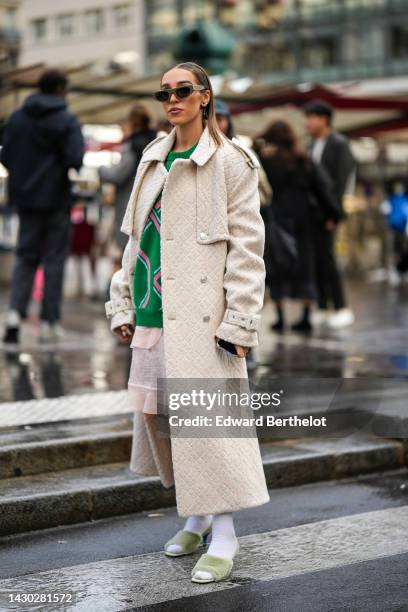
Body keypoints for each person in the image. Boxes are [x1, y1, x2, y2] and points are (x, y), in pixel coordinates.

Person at [105, 61, 269, 584]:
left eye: (182, 91)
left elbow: (248, 248)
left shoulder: (232, 162)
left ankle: (224, 533)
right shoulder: (152, 155)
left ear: (204, 97)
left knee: (207, 422)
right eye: (164, 92)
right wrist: (123, 301)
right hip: (154, 308)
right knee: (162, 418)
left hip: (204, 317)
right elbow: (135, 237)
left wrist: (241, 319)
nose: (172, 99)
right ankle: (196, 515)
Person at [1, 69, 84, 344]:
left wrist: (24, 178)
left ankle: (15, 314)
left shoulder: (17, 118)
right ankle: (49, 322)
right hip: (56, 199)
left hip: (25, 199)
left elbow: (6, 155)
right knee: (54, 259)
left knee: (25, 255)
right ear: (61, 89)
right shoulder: (67, 119)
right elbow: (75, 158)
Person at [257, 120, 341, 332]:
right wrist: (333, 214)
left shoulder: (266, 162)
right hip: (304, 223)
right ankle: (305, 317)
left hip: (275, 222)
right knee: (305, 269)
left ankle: (280, 318)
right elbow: (322, 189)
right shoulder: (304, 160)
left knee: (276, 268)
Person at [303, 99, 355, 329]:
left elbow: (340, 182)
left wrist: (333, 215)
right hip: (311, 214)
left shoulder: (339, 143)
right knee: (315, 260)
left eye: (310, 118)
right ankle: (323, 306)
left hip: (329, 213)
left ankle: (342, 307)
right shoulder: (311, 145)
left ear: (323, 119)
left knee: (329, 260)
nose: (307, 123)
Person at [99, 104, 156, 271]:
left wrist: (101, 170)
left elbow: (118, 175)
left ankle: (123, 294)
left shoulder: (132, 145)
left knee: (124, 252)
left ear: (132, 123)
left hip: (128, 204)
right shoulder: (156, 143)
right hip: (150, 202)